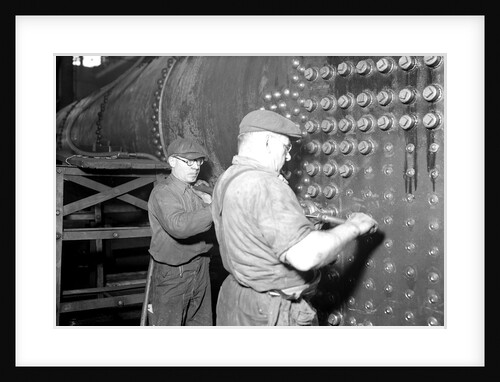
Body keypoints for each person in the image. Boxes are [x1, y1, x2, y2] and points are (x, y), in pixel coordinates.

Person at [211, 109, 378, 326]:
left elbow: (251, 233)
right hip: (270, 312)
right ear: (268, 142)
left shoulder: (228, 178)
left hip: (237, 300)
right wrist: (354, 226)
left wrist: (301, 227)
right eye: (286, 147)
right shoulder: (265, 184)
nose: (288, 156)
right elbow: (306, 256)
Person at [147, 137, 215, 326]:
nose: (195, 167)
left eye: (199, 162)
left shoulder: (196, 190)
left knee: (200, 325)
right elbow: (179, 226)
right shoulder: (164, 192)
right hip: (174, 273)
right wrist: (214, 208)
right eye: (189, 162)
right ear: (172, 162)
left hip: (201, 267)